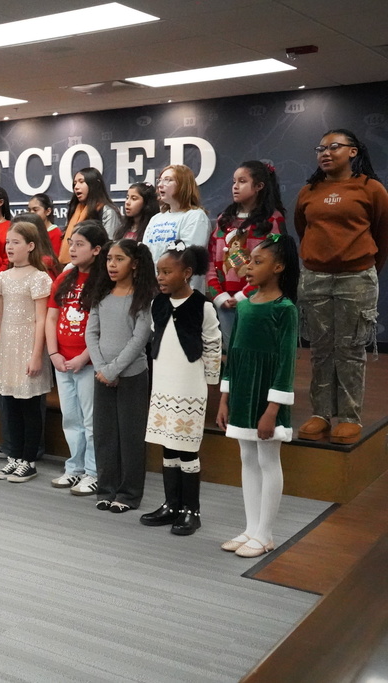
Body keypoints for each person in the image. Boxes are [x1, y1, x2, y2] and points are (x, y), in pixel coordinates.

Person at [295, 128, 388, 445]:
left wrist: (364, 267)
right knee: (320, 350)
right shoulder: (309, 191)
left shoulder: (371, 188)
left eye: (334, 147)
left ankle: (349, 417)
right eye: (320, 148)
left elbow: (382, 234)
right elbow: (302, 229)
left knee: (350, 350)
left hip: (356, 277)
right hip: (315, 278)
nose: (325, 152)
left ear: (353, 151)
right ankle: (321, 414)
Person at [217, 234, 300, 558]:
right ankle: (251, 528)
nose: (248, 267)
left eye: (257, 262)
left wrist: (272, 409)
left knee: (267, 459)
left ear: (278, 267)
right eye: (249, 261)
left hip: (267, 397)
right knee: (247, 459)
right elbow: (233, 354)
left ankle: (265, 534)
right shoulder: (245, 305)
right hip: (242, 391)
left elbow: (286, 362)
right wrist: (225, 398)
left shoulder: (285, 309)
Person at [140, 241, 221, 536]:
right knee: (168, 444)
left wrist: (211, 383)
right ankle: (171, 505)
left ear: (186, 273)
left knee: (187, 449)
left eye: (167, 272)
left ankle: (191, 510)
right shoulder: (157, 303)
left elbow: (213, 345)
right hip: (163, 384)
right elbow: (156, 337)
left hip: (189, 386)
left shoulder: (204, 306)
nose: (160, 277)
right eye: (158, 271)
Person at [86, 239, 157, 512]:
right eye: (109, 259)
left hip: (132, 376)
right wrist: (101, 368)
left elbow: (140, 339)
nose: (112, 265)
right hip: (102, 375)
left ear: (135, 264)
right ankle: (106, 489)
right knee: (104, 435)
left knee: (131, 437)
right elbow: (91, 332)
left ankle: (128, 494)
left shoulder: (143, 297)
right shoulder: (102, 294)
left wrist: (113, 370)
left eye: (119, 259)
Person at [0, 221, 53, 483]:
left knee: (29, 406)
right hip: (7, 347)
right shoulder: (3, 278)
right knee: (10, 404)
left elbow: (41, 319)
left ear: (31, 246)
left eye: (16, 242)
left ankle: (29, 460)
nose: (10, 247)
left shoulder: (39, 278)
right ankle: (14, 457)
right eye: (8, 242)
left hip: (28, 347)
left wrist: (37, 355)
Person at [46, 220, 109, 495]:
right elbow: (51, 317)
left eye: (79, 244)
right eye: (70, 243)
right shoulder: (65, 277)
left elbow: (104, 327)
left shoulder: (104, 281)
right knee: (70, 418)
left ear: (96, 249)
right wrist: (53, 353)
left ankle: (93, 472)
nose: (72, 248)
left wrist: (84, 357)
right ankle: (74, 468)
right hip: (62, 361)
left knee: (91, 421)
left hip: (88, 362)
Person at [208, 161, 285, 346]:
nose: (235, 186)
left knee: (255, 351)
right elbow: (210, 261)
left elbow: (273, 264)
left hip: (258, 300)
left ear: (259, 186)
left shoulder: (272, 220)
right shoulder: (224, 220)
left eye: (242, 181)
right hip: (225, 302)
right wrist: (219, 295)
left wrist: (244, 295)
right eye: (234, 181)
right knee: (232, 351)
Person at [142, 165, 210, 282]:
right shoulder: (156, 219)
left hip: (181, 287)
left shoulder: (195, 216)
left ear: (183, 185)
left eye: (168, 180)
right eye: (160, 180)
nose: (160, 185)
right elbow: (145, 254)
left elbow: (188, 257)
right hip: (153, 285)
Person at [58, 168, 120, 265]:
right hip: (71, 266)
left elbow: (110, 246)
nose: (76, 187)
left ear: (93, 185)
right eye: (75, 183)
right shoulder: (73, 211)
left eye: (81, 182)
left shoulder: (106, 211)